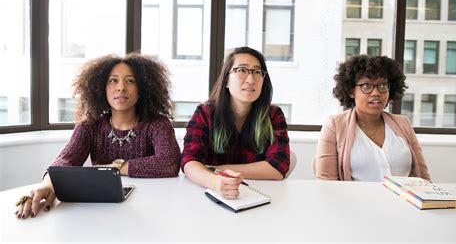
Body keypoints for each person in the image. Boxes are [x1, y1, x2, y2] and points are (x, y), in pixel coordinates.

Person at [15, 53, 181, 219]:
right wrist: (48, 184)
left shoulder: (158, 124)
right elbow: (66, 160)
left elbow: (169, 162)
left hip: (149, 209)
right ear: (101, 88)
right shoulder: (89, 126)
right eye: (113, 80)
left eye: (130, 81)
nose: (121, 87)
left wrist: (112, 168)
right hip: (101, 210)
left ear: (142, 89)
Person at [181, 47, 290, 199]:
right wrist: (215, 182)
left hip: (258, 196)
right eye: (241, 70)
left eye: (257, 72)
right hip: (210, 195)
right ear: (226, 80)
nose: (251, 80)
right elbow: (189, 162)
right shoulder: (205, 113)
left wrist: (219, 170)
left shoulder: (273, 115)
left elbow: (278, 168)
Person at [313, 55, 430, 181]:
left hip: (403, 200)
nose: (376, 93)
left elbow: (424, 179)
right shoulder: (334, 126)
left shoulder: (403, 124)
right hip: (354, 200)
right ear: (351, 91)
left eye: (382, 85)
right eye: (367, 86)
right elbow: (327, 184)